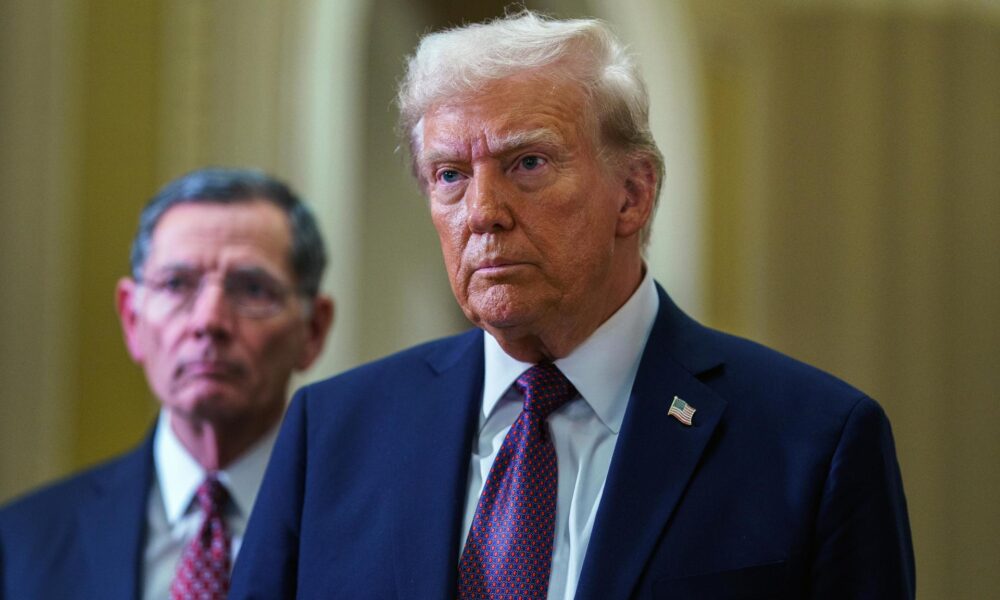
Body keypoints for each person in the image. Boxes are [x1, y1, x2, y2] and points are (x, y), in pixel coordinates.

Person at [230, 11, 914, 599]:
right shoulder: (333, 433)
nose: (483, 213)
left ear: (634, 193)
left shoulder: (814, 443)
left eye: (528, 163)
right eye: (450, 175)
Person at [0, 167, 334, 599]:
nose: (208, 320)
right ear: (132, 318)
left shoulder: (368, 532)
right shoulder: (23, 543)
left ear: (313, 330)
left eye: (251, 289)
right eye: (177, 284)